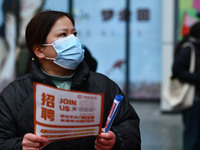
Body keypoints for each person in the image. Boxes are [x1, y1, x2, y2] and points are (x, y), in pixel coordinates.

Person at [0, 10, 141, 150]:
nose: (74, 40)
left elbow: (130, 127)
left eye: (74, 34)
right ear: (39, 51)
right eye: (63, 35)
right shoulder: (14, 94)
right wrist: (20, 146)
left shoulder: (103, 85)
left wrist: (116, 140)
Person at [0, 0, 45, 92]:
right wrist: (12, 49)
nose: (24, 1)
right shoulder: (3, 35)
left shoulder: (48, 34)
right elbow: (3, 87)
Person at [172, 22, 200, 150]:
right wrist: (196, 78)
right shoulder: (189, 49)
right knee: (192, 135)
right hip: (193, 100)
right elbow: (176, 70)